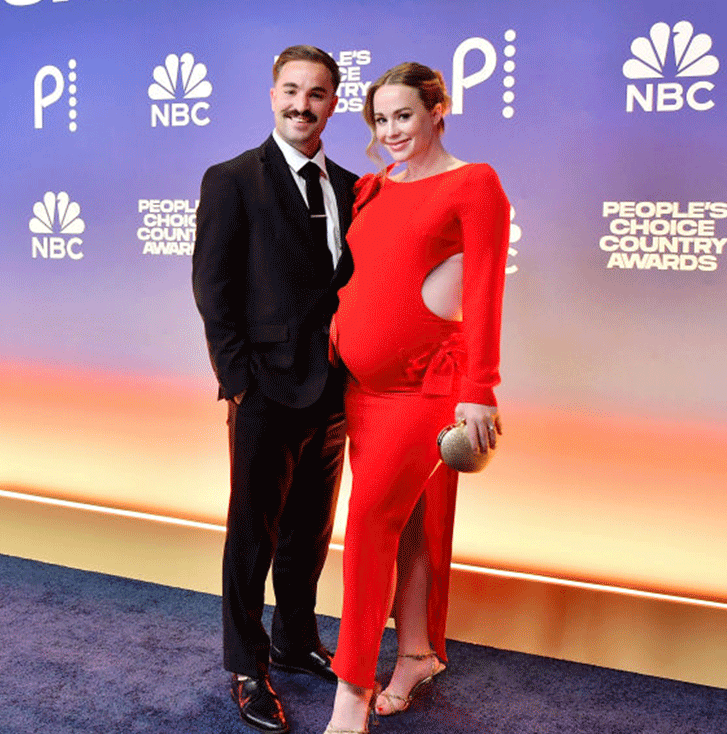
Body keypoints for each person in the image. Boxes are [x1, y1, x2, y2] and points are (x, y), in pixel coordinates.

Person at [322, 62, 510, 734]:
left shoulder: (474, 182)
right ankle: (418, 653)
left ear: (438, 111)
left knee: (370, 521)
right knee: (412, 522)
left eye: (404, 115)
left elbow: (485, 290)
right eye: (380, 119)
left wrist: (478, 390)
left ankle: (350, 691)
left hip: (427, 386)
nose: (391, 130)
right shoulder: (373, 187)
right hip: (361, 389)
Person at [191, 45, 357, 734]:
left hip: (336, 392)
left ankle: (294, 641)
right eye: (290, 90)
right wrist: (237, 383)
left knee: (310, 532)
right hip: (262, 389)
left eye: (316, 94)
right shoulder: (232, 179)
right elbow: (212, 288)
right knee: (251, 537)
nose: (301, 104)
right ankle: (245, 664)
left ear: (333, 104)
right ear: (271, 95)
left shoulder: (350, 186)